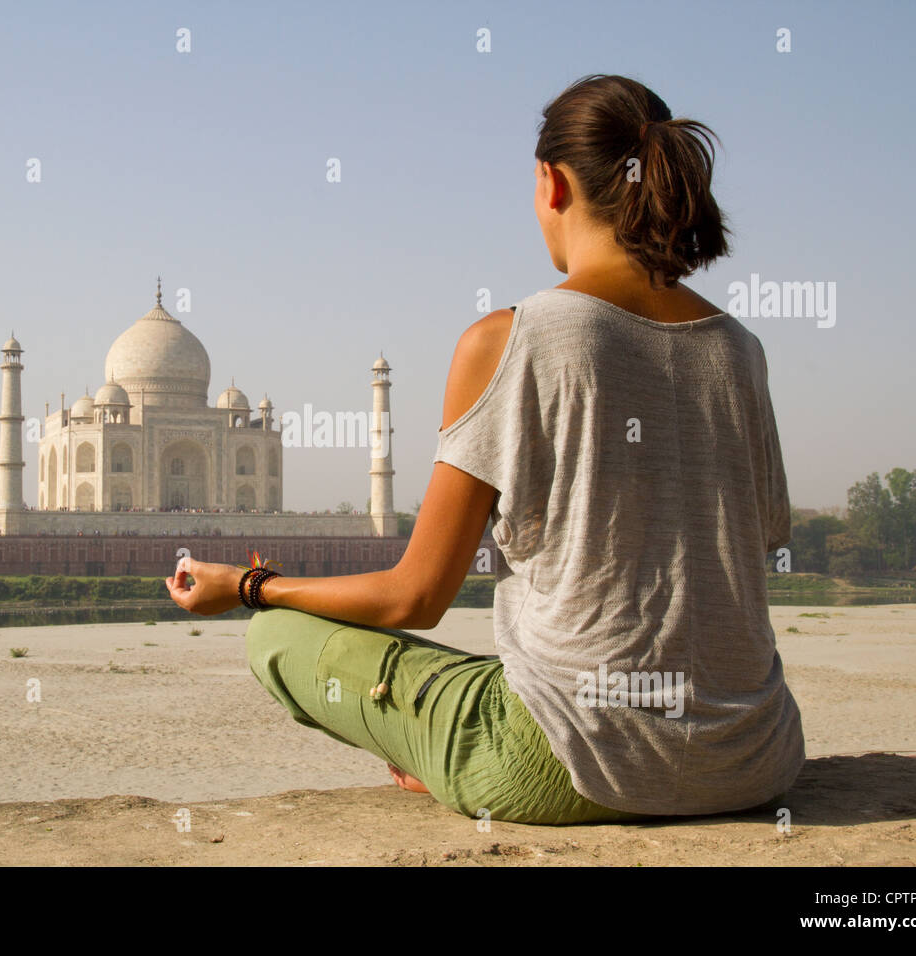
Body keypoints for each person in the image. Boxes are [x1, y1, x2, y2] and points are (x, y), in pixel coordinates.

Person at [166, 74, 804, 825]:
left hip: (565, 768)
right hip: (753, 759)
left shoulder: (512, 337)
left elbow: (418, 598)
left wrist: (250, 589)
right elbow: (751, 545)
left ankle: (439, 755)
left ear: (552, 183)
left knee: (277, 636)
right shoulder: (740, 349)